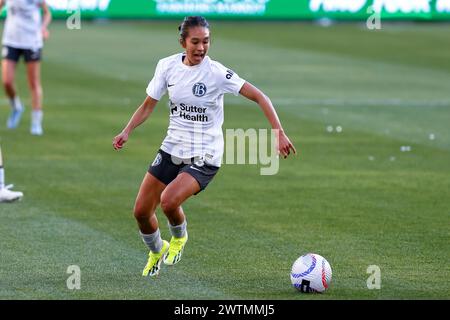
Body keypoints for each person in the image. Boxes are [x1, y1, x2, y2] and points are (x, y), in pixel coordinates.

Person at [113, 16, 296, 277]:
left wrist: (279, 133)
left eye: (206, 41)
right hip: (172, 148)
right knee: (141, 212)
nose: (201, 48)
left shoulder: (216, 73)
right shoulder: (167, 67)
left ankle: (179, 237)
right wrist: (127, 130)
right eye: (195, 42)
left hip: (205, 154)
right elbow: (147, 105)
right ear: (182, 42)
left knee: (168, 201)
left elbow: (259, 96)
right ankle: (156, 250)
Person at [0, 0, 52, 135]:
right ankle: (16, 107)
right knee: (7, 81)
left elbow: (47, 13)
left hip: (32, 41)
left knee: (33, 82)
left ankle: (36, 122)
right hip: (11, 40)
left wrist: (43, 28)